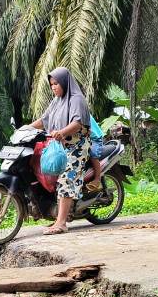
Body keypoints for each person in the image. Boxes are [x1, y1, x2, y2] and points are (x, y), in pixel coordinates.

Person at [29, 67, 91, 235]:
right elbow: (44, 119)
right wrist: (26, 129)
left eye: (56, 83)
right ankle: (58, 218)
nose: (54, 87)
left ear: (64, 82)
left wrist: (62, 132)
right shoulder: (57, 100)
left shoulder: (76, 99)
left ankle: (62, 223)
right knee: (51, 178)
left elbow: (78, 123)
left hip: (77, 146)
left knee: (65, 180)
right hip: (61, 147)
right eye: (51, 85)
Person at [87, 114, 104, 191]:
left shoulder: (80, 110)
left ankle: (97, 179)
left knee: (93, 153)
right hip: (85, 138)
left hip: (95, 138)